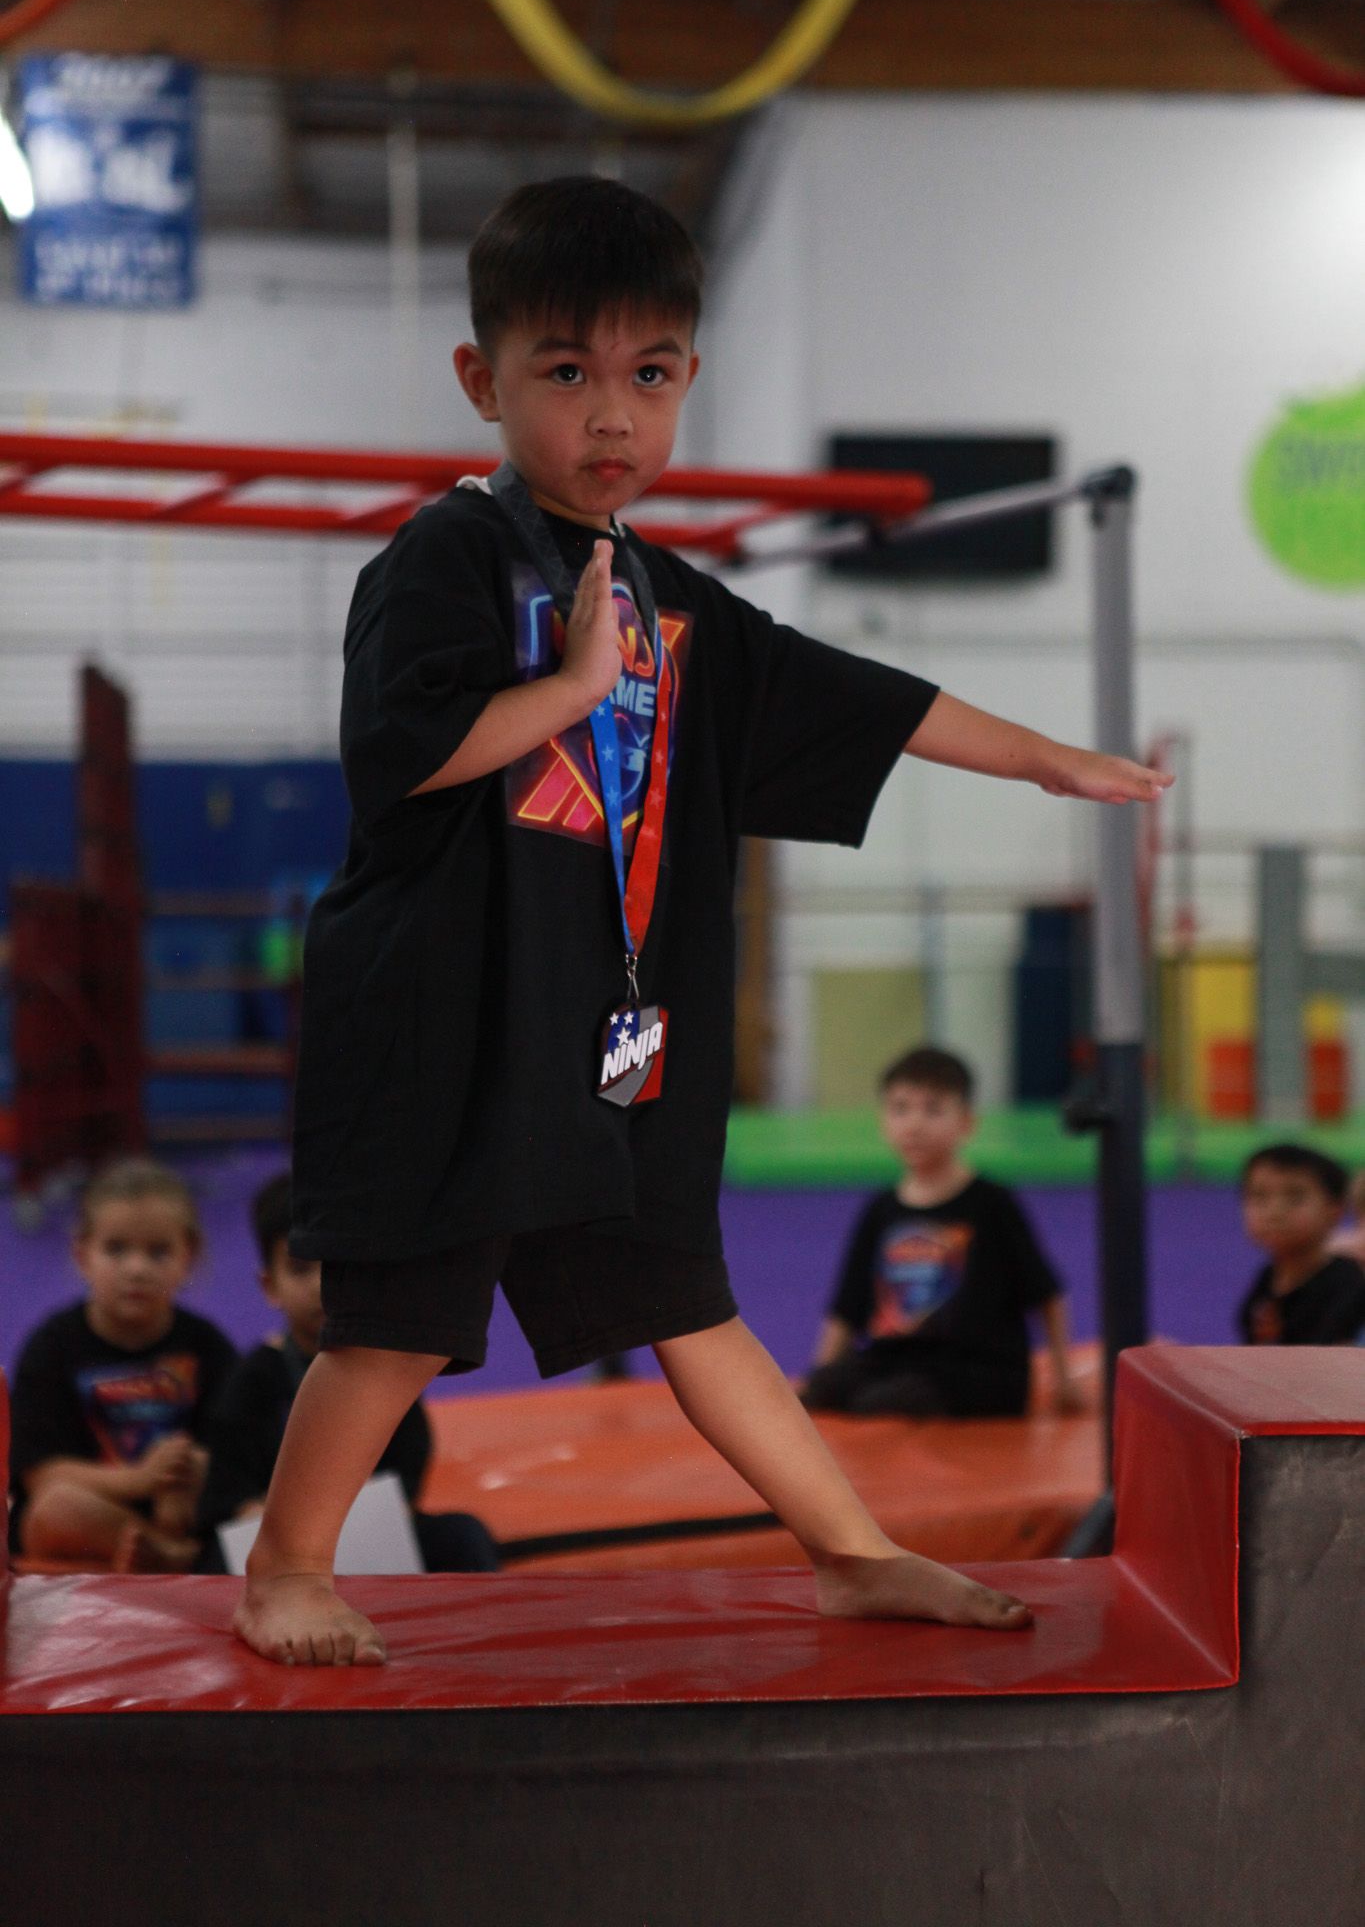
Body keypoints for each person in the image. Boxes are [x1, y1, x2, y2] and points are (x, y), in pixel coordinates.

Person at [233, 175, 1170, 1668]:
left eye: (651, 377)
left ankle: (852, 1554)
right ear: (483, 381)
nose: (614, 416)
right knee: (399, 1319)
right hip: (451, 1017)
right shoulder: (444, 558)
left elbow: (854, 695)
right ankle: (286, 1563)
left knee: (687, 1293)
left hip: (606, 1020)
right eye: (567, 374)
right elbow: (404, 752)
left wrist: (1049, 758)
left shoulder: (674, 595)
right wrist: (563, 691)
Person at [200, 1173, 498, 1572]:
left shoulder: (380, 1363)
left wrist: (383, 1511)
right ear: (270, 1286)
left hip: (372, 1533)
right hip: (276, 1548)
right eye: (301, 1268)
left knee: (463, 1536)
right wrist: (260, 1514)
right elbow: (227, 1489)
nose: (322, 1284)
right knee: (215, 1562)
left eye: (338, 1267)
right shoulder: (254, 1379)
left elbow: (407, 1462)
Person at [801, 1048, 1082, 1421]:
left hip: (978, 1371)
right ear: (883, 1119)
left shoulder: (992, 1204)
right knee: (823, 1391)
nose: (914, 1124)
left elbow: (1047, 1296)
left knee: (888, 1403)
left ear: (966, 1123)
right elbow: (846, 1308)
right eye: (900, 1109)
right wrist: (821, 1377)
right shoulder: (882, 1209)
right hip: (901, 1357)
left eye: (932, 1109)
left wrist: (1063, 1378)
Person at [8, 1158, 235, 1571]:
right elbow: (41, 1475)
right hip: (97, 1518)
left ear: (190, 1254)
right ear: (82, 1254)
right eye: (116, 1249)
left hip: (183, 1518)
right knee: (54, 1509)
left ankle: (167, 1553)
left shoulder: (209, 1347)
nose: (136, 1269)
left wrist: (187, 1475)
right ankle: (165, 1557)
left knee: (260, 1503)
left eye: (158, 1251)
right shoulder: (52, 1347)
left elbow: (234, 1449)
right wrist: (141, 1480)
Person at [1236, 1143, 1365, 1346]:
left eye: (1295, 1197)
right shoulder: (1268, 1277)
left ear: (1334, 1210)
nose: (1274, 1212)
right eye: (1260, 1196)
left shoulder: (1347, 1282)